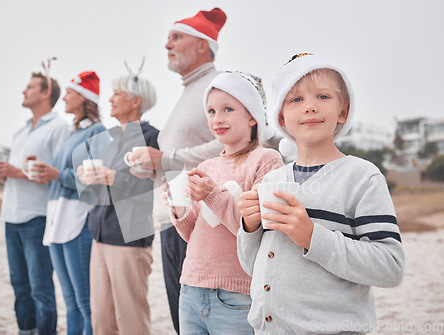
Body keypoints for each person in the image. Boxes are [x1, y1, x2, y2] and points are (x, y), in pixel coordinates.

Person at [237, 53, 405, 334]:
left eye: (323, 97)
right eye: (296, 99)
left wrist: (312, 237)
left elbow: (390, 267)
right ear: (281, 116)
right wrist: (249, 227)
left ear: (343, 111)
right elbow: (250, 266)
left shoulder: (362, 177)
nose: (310, 107)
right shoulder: (272, 179)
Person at [127, 8, 227, 333]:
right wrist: (153, 169)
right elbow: (176, 160)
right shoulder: (189, 91)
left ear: (202, 45)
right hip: (173, 222)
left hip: (201, 225)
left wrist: (165, 158)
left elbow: (233, 146)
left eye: (176, 37)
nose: (166, 44)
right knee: (181, 322)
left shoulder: (218, 86)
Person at [162, 71, 283, 334]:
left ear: (252, 116)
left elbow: (255, 231)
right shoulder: (206, 165)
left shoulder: (267, 160)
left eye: (228, 109)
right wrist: (179, 207)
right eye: (211, 111)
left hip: (236, 294)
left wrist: (211, 195)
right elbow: (193, 235)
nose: (218, 119)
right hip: (191, 287)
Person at [74, 71, 159, 335]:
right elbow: (108, 187)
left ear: (137, 101)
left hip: (128, 240)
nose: (110, 99)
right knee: (101, 320)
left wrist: (112, 178)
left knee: (131, 320)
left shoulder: (151, 136)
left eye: (117, 93)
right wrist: (89, 178)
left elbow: (149, 186)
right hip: (100, 237)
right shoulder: (114, 140)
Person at [0, 72, 69, 335]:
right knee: (19, 286)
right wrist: (4, 175)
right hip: (10, 217)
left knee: (40, 288)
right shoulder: (20, 132)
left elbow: (57, 174)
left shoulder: (59, 128)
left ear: (46, 93)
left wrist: (15, 171)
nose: (24, 91)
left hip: (38, 217)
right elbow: (18, 175)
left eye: (30, 87)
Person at [32, 71, 106, 335]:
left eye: (70, 93)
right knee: (70, 301)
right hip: (57, 219)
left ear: (85, 98)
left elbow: (93, 180)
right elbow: (63, 175)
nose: (63, 97)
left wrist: (56, 174)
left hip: (78, 219)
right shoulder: (70, 133)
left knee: (85, 303)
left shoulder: (98, 131)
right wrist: (45, 173)